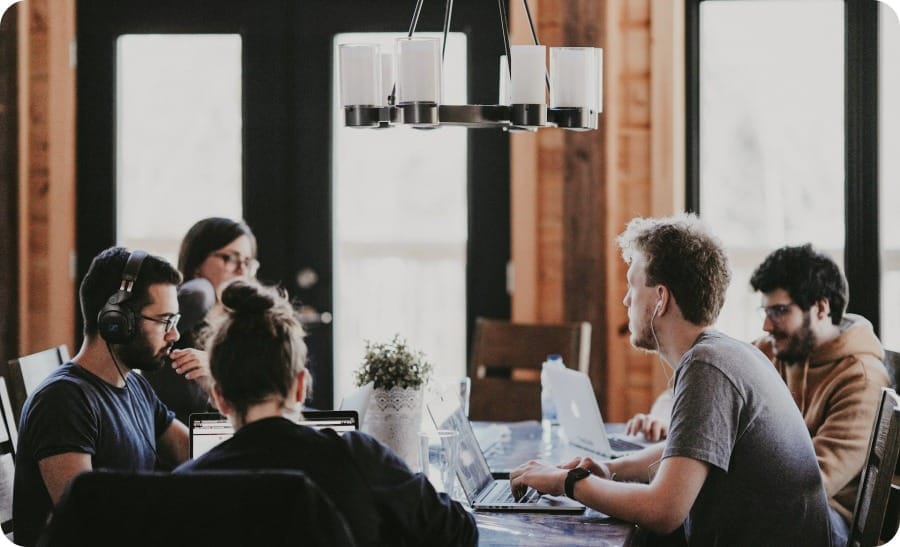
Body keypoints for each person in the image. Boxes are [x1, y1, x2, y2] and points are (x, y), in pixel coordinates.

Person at [509, 214, 832, 546]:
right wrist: (610, 469)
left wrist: (566, 482)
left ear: (660, 299)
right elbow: (689, 448)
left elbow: (663, 511)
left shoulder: (707, 365)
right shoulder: (728, 353)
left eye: (632, 286)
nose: (626, 300)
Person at [174, 280, 477, 547]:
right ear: (300, 386)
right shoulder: (357, 457)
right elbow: (459, 532)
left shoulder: (185, 486)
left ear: (219, 398)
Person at [13, 247, 208, 546]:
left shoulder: (136, 387)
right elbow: (86, 525)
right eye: (165, 321)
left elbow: (204, 457)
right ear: (116, 321)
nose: (175, 335)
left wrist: (215, 385)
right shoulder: (63, 401)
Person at [749, 243, 889, 542]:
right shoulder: (770, 350)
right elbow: (705, 391)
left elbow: (811, 484)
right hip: (776, 504)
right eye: (765, 310)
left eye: (779, 311)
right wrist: (662, 417)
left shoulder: (861, 378)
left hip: (825, 519)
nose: (766, 324)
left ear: (821, 308)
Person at [146, 217, 258, 423]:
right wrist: (203, 288)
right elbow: (196, 295)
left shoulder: (250, 322)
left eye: (248, 262)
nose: (242, 271)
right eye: (230, 258)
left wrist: (217, 369)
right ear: (197, 263)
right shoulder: (183, 312)